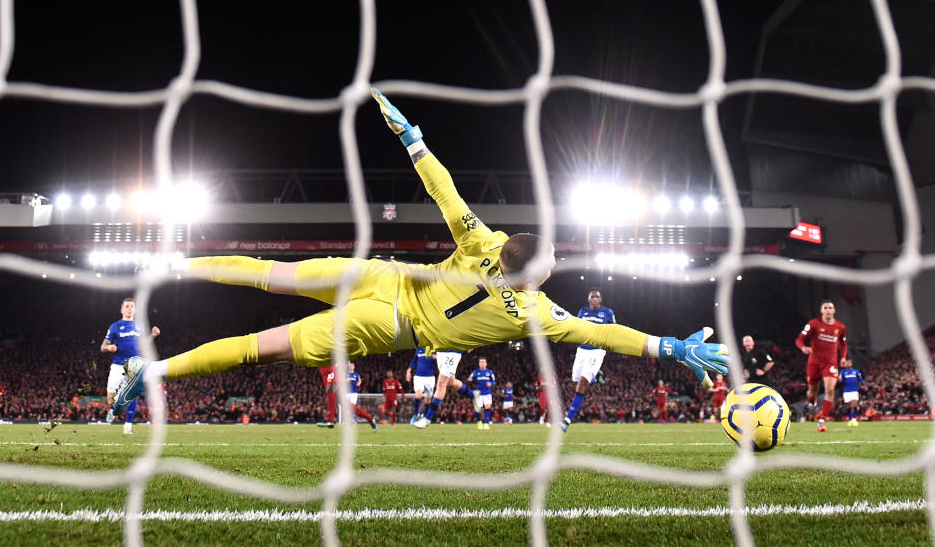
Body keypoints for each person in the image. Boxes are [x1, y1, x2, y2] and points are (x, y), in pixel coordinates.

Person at [106, 88, 728, 422]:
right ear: (534, 274)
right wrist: (670, 347)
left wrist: (414, 140)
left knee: (277, 274)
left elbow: (445, 190)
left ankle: (179, 264)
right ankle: (151, 375)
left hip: (383, 278)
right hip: (392, 324)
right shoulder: (535, 313)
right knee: (262, 343)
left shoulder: (483, 241)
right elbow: (609, 336)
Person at [101, 297, 160, 435]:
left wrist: (152, 335)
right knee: (110, 399)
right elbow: (102, 346)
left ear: (135, 309)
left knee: (133, 395)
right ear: (122, 309)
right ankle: (113, 409)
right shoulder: (115, 326)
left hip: (135, 365)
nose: (129, 308)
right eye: (126, 306)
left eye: (132, 306)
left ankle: (128, 426)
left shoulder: (140, 326)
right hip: (118, 365)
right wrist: (109, 348)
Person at [562, 288, 616, 432]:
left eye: (597, 297)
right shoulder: (583, 312)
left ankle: (567, 419)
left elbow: (614, 329)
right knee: (576, 385)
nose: (594, 299)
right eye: (592, 297)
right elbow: (577, 327)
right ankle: (596, 375)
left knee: (582, 385)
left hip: (597, 350)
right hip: (582, 350)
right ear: (588, 299)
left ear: (601, 299)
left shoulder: (607, 312)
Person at [796, 300, 847, 432]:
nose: (828, 310)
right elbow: (799, 339)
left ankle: (822, 419)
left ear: (834, 310)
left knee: (830, 390)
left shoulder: (840, 327)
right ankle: (812, 403)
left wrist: (843, 357)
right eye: (825, 308)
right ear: (822, 311)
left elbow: (843, 343)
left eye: (830, 308)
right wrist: (803, 348)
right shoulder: (814, 323)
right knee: (812, 392)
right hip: (814, 362)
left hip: (830, 362)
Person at [414, 349, 474, 428]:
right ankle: (473, 395)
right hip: (441, 351)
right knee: (451, 382)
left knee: (441, 383)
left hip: (453, 351)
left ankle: (428, 419)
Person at [406, 346, 437, 424]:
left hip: (430, 378)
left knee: (428, 400)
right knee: (418, 396)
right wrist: (409, 370)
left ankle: (425, 417)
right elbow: (414, 360)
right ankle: (416, 414)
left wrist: (437, 357)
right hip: (418, 377)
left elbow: (442, 359)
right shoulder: (419, 349)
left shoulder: (434, 348)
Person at [345, 362, 379, 430]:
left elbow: (359, 381)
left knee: (352, 407)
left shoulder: (356, 374)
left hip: (354, 393)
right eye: (350, 366)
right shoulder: (346, 374)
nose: (351, 367)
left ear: (354, 367)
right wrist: (346, 381)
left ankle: (352, 420)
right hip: (347, 392)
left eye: (353, 366)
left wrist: (358, 383)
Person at [469, 357, 496, 429]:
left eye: (484, 362)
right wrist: (470, 379)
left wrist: (490, 383)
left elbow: (494, 381)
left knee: (488, 406)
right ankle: (479, 422)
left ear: (486, 364)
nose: (482, 363)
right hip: (479, 393)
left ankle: (486, 424)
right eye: (481, 362)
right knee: (478, 409)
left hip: (487, 393)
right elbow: (469, 379)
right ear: (479, 364)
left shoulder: (490, 372)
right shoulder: (476, 372)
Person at [839, 358, 867, 426]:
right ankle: (850, 419)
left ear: (851, 364)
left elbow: (860, 379)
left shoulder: (856, 371)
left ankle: (854, 419)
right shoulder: (843, 372)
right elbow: (840, 381)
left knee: (854, 405)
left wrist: (864, 384)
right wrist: (839, 379)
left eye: (849, 362)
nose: (848, 364)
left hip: (854, 390)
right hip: (846, 391)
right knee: (849, 406)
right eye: (847, 363)